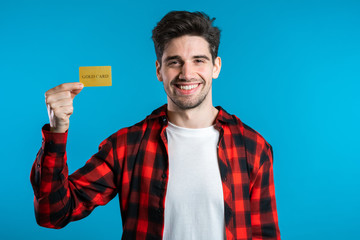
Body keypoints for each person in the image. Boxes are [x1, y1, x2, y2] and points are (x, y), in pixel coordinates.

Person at [30, 11, 281, 240]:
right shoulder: (126, 146)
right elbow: (54, 214)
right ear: (159, 70)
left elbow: (265, 233)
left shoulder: (252, 147)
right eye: (174, 62)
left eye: (199, 60)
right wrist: (57, 131)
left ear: (215, 67)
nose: (187, 73)